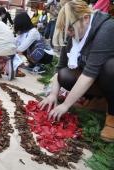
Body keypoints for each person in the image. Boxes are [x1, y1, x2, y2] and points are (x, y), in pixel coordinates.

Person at [39, 0, 114, 142]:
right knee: (64, 75)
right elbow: (60, 67)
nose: (69, 33)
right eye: (66, 29)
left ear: (86, 18)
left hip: (110, 76)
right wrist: (53, 94)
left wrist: (66, 104)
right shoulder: (74, 33)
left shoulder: (106, 29)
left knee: (110, 67)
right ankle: (99, 100)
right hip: (99, 78)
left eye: (71, 29)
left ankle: (112, 115)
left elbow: (89, 74)